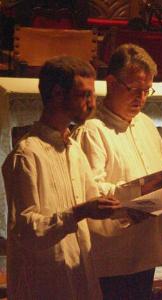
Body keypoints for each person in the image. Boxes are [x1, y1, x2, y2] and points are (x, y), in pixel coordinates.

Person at [2, 56, 121, 300]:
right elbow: (26, 230)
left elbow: (93, 203)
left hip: (80, 278)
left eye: (93, 95)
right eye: (84, 95)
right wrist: (79, 212)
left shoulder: (74, 149)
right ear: (57, 93)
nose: (92, 104)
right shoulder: (26, 154)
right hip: (45, 285)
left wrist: (131, 206)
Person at [75, 43, 162, 299]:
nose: (140, 98)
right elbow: (89, 191)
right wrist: (140, 190)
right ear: (111, 82)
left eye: (146, 90)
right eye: (134, 89)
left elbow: (160, 174)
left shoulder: (147, 125)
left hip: (146, 249)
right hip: (112, 255)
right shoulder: (92, 130)